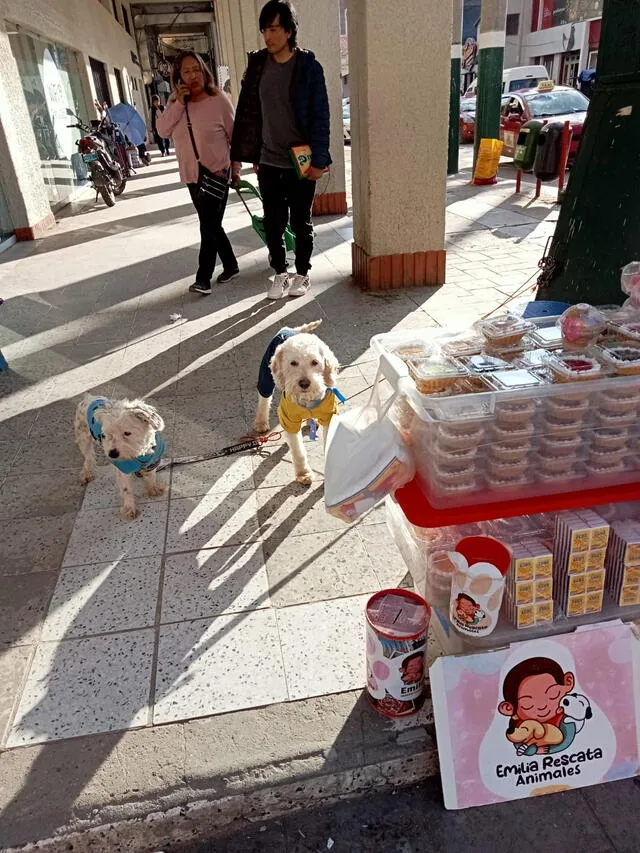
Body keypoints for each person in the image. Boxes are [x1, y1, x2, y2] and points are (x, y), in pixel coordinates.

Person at [231, 0, 331, 301]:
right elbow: (249, 112)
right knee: (273, 222)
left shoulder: (309, 68)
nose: (268, 36)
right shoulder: (258, 65)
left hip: (301, 162)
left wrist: (319, 160)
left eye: (273, 29)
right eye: (264, 30)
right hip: (269, 160)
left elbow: (320, 116)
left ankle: (302, 273)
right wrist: (251, 153)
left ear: (289, 31)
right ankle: (280, 273)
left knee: (301, 221)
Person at [157, 52, 241, 294]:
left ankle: (203, 278)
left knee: (208, 226)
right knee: (213, 224)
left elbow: (234, 138)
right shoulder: (176, 102)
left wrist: (235, 171)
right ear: (178, 77)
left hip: (217, 174)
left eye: (196, 69)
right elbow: (163, 131)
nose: (192, 75)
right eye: (186, 71)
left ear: (204, 72)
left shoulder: (219, 100)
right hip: (192, 177)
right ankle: (231, 265)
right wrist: (178, 102)